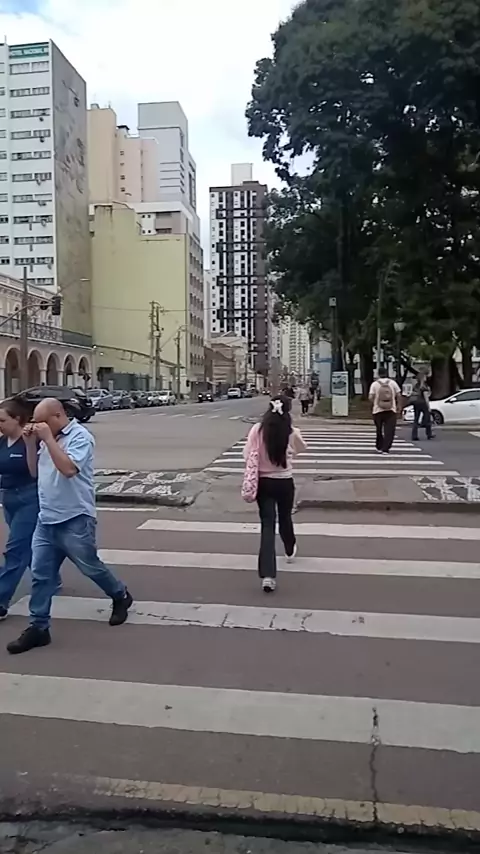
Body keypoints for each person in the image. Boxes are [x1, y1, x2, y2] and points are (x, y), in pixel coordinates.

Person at [7, 398, 132, 655]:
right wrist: (31, 443)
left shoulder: (80, 437)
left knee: (90, 567)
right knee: (41, 575)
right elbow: (34, 473)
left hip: (75, 517)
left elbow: (68, 470)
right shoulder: (46, 438)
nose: (38, 426)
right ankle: (38, 627)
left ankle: (120, 595)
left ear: (58, 415)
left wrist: (48, 439)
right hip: (46, 518)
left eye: (42, 421)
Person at [243, 395, 306, 592]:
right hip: (285, 481)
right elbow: (301, 448)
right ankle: (289, 548)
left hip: (264, 483)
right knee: (285, 517)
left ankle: (268, 576)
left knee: (267, 525)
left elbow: (246, 454)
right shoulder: (291, 432)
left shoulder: (257, 430)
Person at [0, 398, 39, 620]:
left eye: (2, 420)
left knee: (15, 550)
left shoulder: (29, 440)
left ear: (17, 419)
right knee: (26, 546)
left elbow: (35, 473)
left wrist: (31, 445)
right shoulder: (2, 441)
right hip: (8, 498)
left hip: (29, 498)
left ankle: (1, 600)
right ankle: (48, 577)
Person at [368, 367, 402, 454]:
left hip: (377, 410)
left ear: (378, 374)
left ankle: (379, 446)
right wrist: (399, 406)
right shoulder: (393, 383)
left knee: (379, 429)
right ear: (387, 373)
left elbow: (370, 397)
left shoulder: (374, 384)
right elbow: (399, 395)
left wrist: (375, 403)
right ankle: (386, 448)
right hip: (391, 409)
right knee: (389, 430)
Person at [411, 373, 433, 441]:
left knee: (416, 420)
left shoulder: (416, 386)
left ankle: (414, 435)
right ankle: (429, 434)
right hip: (423, 403)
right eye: (425, 377)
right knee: (427, 418)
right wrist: (428, 407)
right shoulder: (424, 386)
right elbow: (426, 397)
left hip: (416, 403)